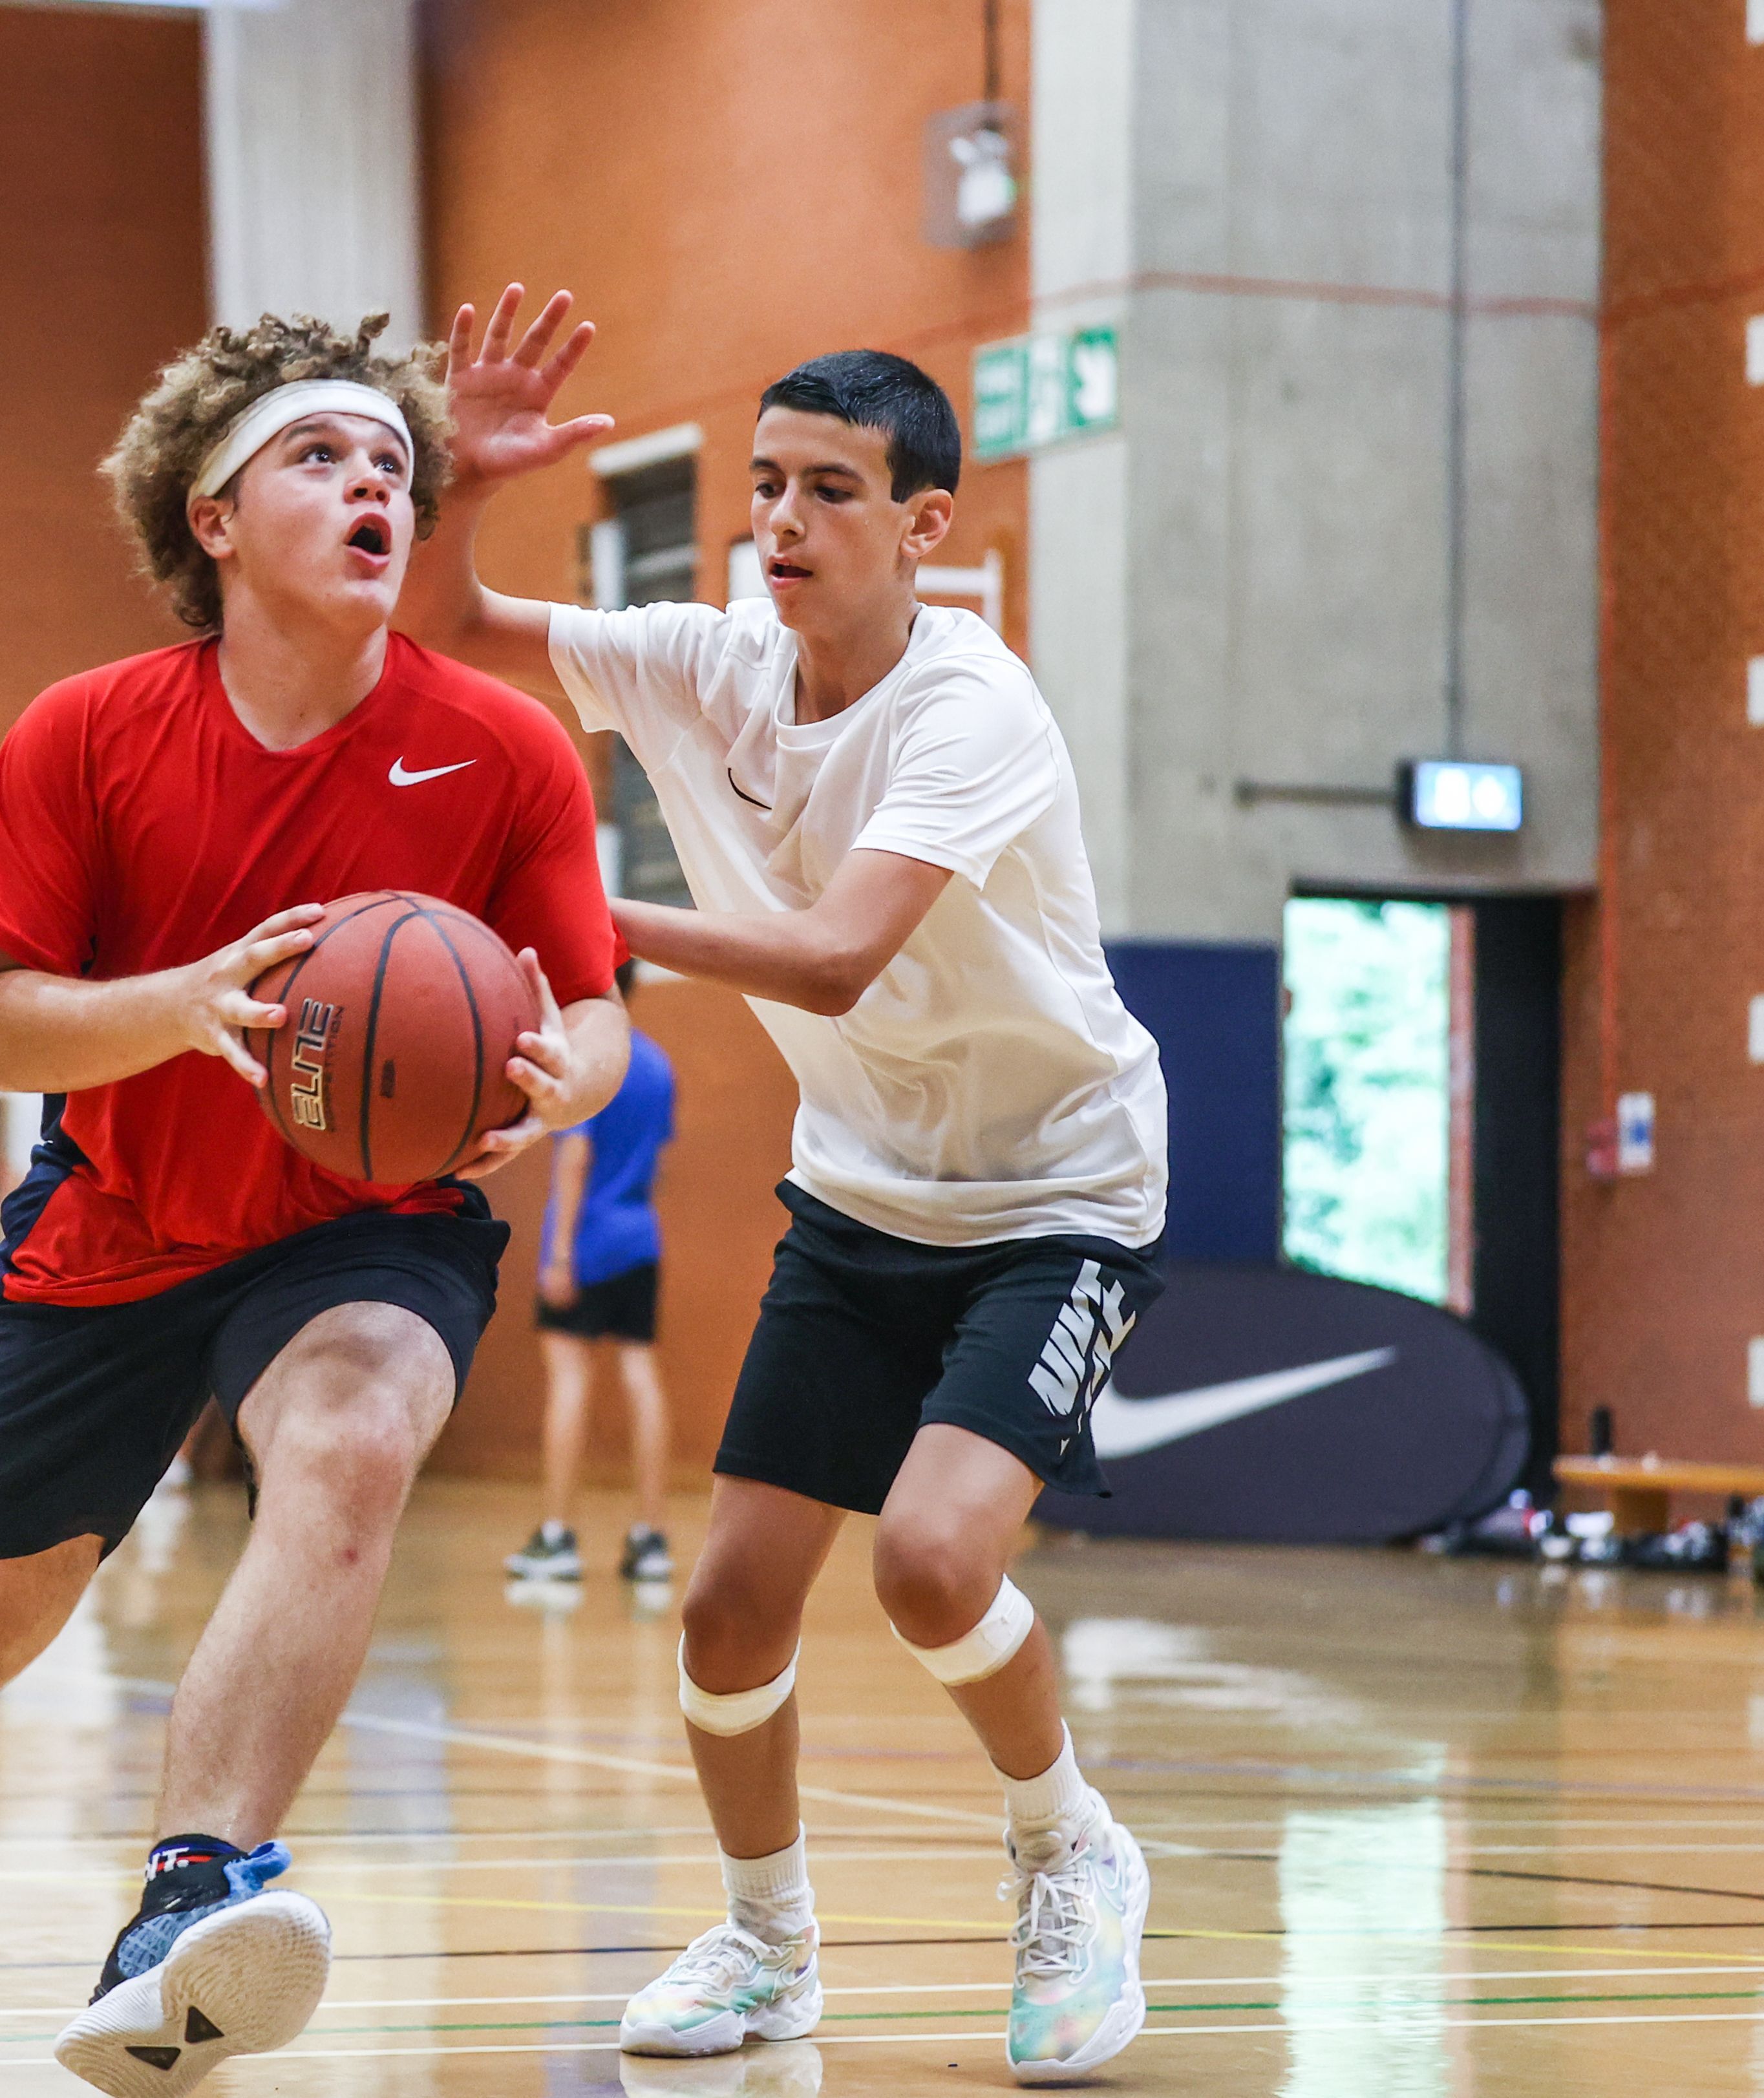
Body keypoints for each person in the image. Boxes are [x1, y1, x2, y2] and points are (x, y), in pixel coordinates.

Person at [0, 312, 628, 2088]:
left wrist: (572, 1073)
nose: (368, 485)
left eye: (391, 463)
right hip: (119, 1216)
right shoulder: (85, 733)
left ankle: (190, 1885)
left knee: (352, 1428)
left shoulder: (505, 750)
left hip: (363, 1220)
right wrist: (175, 1005)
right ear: (213, 517)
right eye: (318, 458)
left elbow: (596, 996)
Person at [403, 288, 1171, 2082]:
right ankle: (766, 1940)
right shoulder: (704, 658)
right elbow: (441, 628)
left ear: (925, 526)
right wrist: (459, 474)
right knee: (726, 1602)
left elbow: (828, 959)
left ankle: (1069, 1844)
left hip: (1053, 1195)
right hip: (859, 1192)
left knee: (924, 1560)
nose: (775, 522)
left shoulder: (972, 705)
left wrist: (557, 923)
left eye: (827, 489)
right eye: (761, 484)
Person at [507, 958, 678, 1585]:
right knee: (641, 1374)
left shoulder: (591, 1063)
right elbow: (654, 1159)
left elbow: (575, 1158)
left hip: (586, 1243)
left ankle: (557, 1539)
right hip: (640, 1238)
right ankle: (652, 1538)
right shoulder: (659, 1065)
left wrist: (559, 1256)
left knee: (570, 1381)